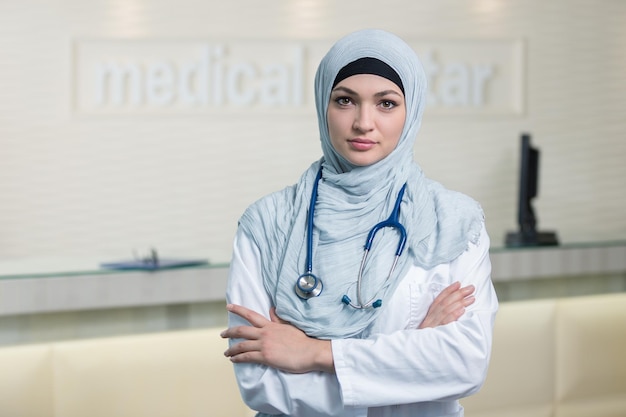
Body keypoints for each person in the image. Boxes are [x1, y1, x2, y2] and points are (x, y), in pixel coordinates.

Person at [221, 28, 498, 417]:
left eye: (386, 103)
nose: (363, 122)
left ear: (411, 109)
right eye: (345, 100)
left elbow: (465, 364)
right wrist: (412, 352)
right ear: (324, 105)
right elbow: (263, 385)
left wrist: (316, 352)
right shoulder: (268, 224)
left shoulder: (452, 220)